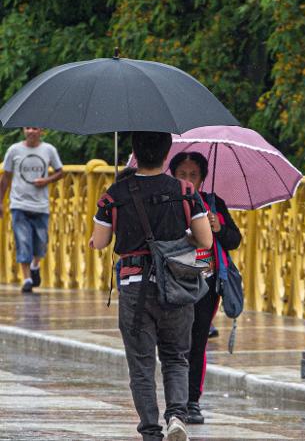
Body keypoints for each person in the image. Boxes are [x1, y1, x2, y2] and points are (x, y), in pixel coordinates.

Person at [90, 132, 212, 441]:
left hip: (134, 286)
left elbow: (100, 242)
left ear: (134, 152)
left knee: (141, 363)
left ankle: (150, 430)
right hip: (176, 283)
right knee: (175, 357)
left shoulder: (113, 194)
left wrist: (98, 234)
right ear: (167, 152)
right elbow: (206, 241)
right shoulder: (185, 191)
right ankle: (177, 416)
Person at [169, 151, 242, 424]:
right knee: (176, 343)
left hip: (207, 284)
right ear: (173, 176)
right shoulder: (167, 202)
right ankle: (174, 400)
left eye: (193, 176)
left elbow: (234, 240)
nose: (188, 180)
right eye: (182, 175)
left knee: (197, 341)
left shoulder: (214, 203)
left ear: (202, 178)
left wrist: (218, 227)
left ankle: (192, 402)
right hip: (174, 281)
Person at [0, 127, 63, 292]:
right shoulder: (14, 150)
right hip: (19, 204)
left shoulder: (49, 150)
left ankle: (35, 266)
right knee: (23, 241)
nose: (31, 131)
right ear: (23, 130)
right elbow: (6, 176)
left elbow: (60, 172)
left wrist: (47, 180)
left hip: (41, 205)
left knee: (41, 243)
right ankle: (27, 278)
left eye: (34, 128)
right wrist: (0, 201)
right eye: (28, 128)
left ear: (41, 131)